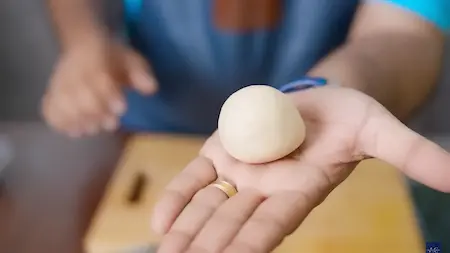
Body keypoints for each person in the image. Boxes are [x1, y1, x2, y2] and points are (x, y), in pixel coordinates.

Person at [42, 0, 450, 252]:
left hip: (322, 140)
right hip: (149, 126)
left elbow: (403, 30)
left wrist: (328, 89)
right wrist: (84, 40)